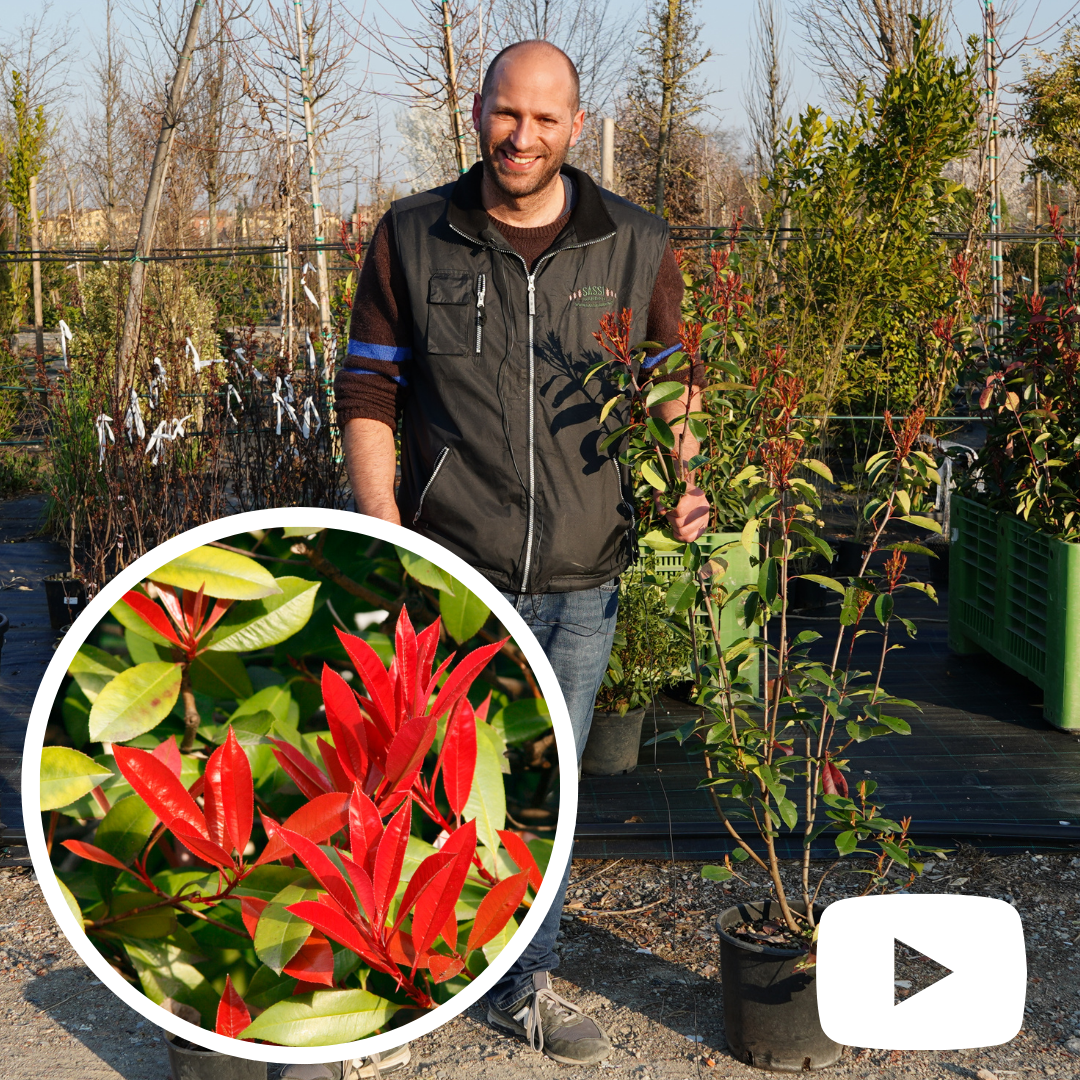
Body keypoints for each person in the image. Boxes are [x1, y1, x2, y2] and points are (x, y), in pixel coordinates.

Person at [324, 38, 708, 1071]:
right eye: (506, 114)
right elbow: (369, 390)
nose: (521, 136)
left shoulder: (634, 243)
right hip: (454, 577)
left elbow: (670, 382)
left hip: (584, 582)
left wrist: (685, 477)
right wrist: (384, 523)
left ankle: (524, 982)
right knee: (415, 786)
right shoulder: (415, 235)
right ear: (478, 110)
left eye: (544, 120)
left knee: (546, 795)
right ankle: (391, 993)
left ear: (574, 128)